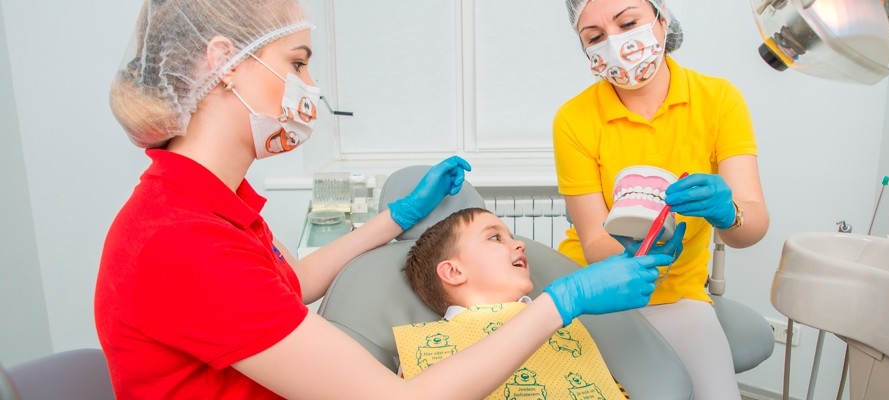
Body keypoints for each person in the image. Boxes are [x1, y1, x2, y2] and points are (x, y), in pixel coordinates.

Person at [94, 1, 678, 399]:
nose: (311, 89)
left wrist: (397, 218)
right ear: (223, 62)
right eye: (297, 63)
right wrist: (562, 301)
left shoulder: (210, 205)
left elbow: (290, 285)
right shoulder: (182, 239)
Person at [554, 0, 771, 399]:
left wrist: (729, 213)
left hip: (679, 294)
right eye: (595, 36)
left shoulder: (718, 100)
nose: (615, 43)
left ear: (662, 17)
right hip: (597, 287)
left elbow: (752, 227)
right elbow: (595, 241)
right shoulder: (574, 119)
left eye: (628, 22)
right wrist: (636, 253)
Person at [399, 207, 681, 399]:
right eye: (495, 237)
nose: (519, 244)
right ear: (453, 272)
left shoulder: (564, 332)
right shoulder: (423, 351)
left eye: (512, 236)